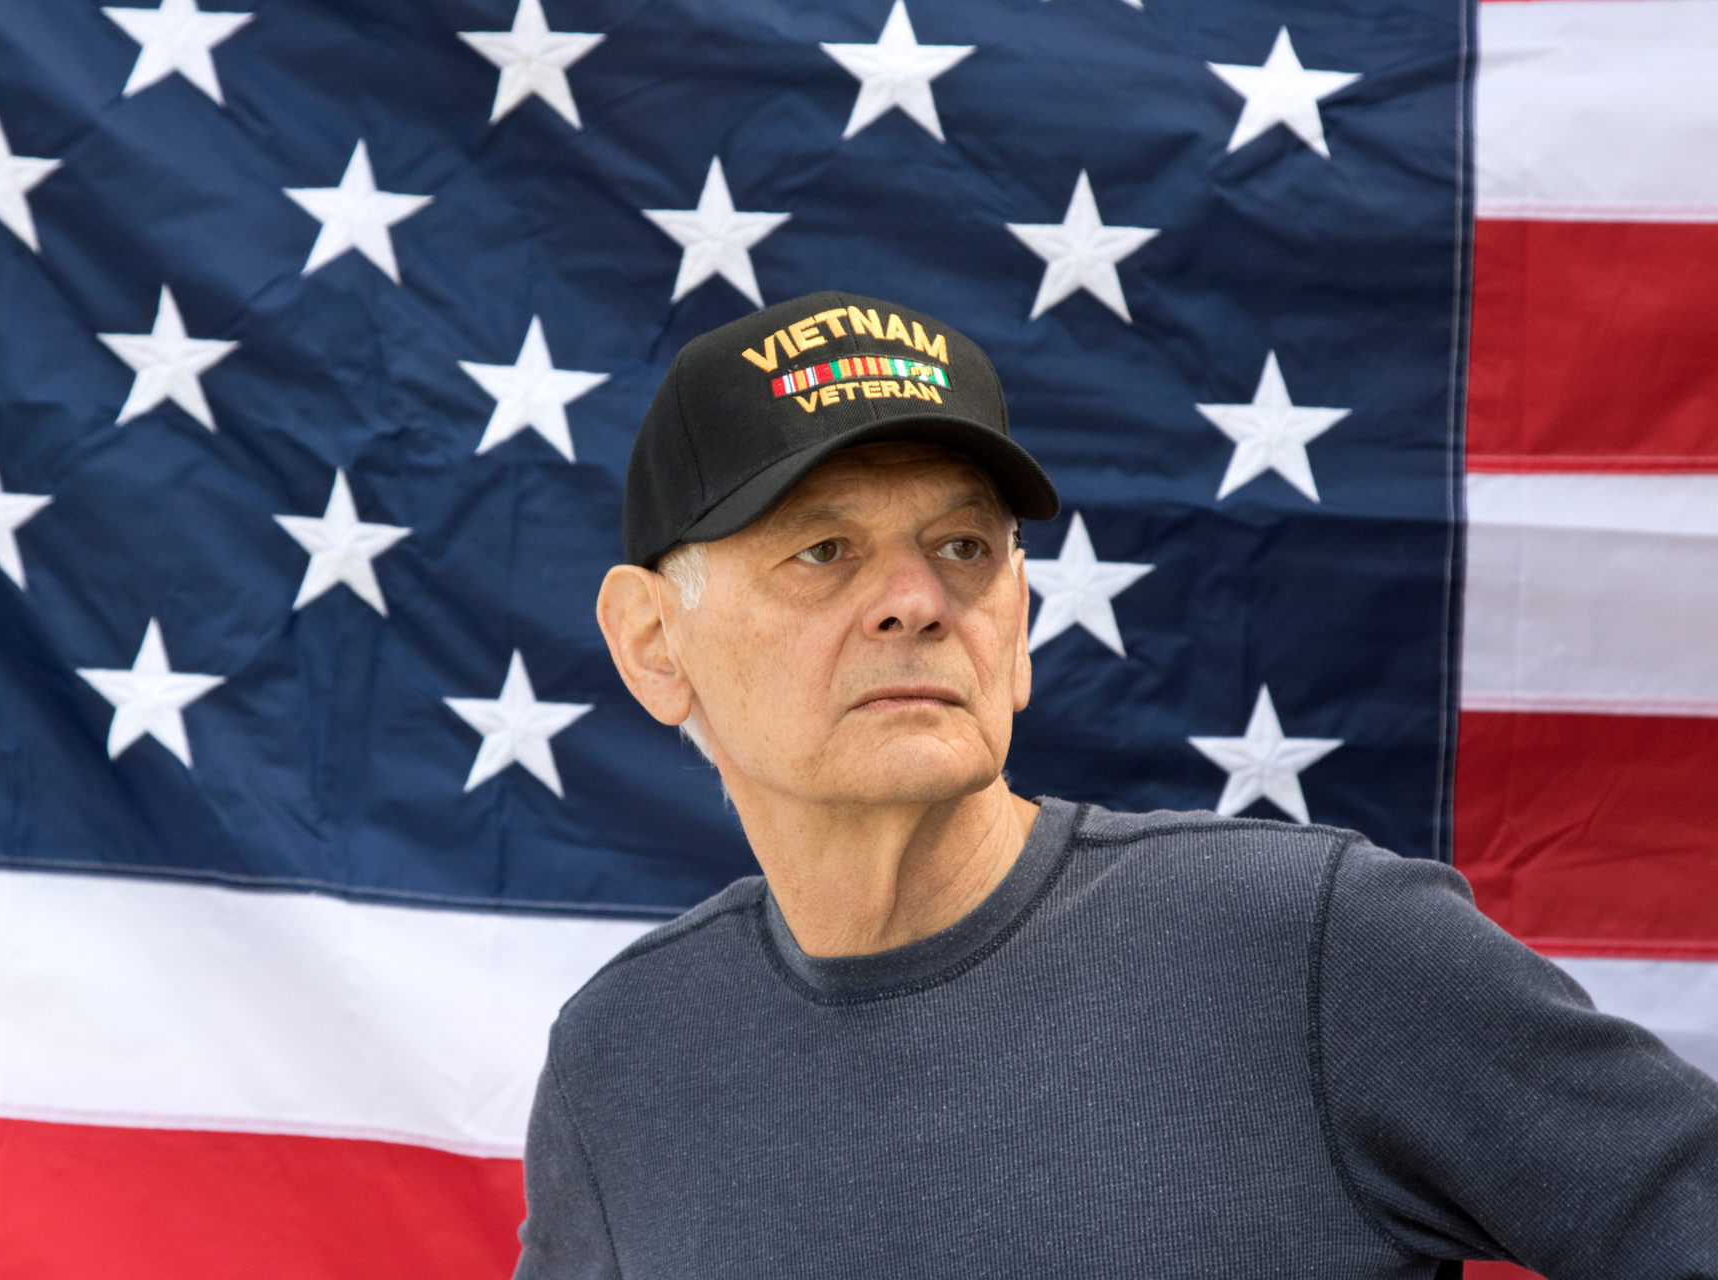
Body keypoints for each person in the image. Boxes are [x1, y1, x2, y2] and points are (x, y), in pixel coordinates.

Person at [513, 291, 1718, 1278]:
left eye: (964, 546)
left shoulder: (1314, 947)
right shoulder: (622, 1058)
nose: (915, 599)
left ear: (1018, 622)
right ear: (652, 644)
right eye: (823, 550)